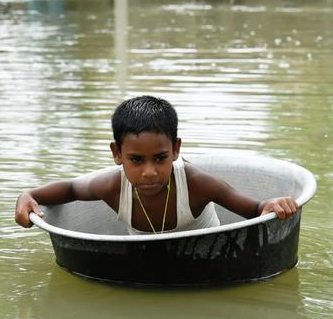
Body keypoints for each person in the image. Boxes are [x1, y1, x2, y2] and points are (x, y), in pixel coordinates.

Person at [15, 96, 298, 234]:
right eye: (136, 160)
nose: (149, 172)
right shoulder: (113, 186)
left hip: (207, 264)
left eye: (160, 158)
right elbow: (70, 189)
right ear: (117, 154)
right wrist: (29, 196)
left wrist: (271, 205)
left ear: (175, 150)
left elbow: (252, 209)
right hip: (149, 272)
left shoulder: (196, 183)